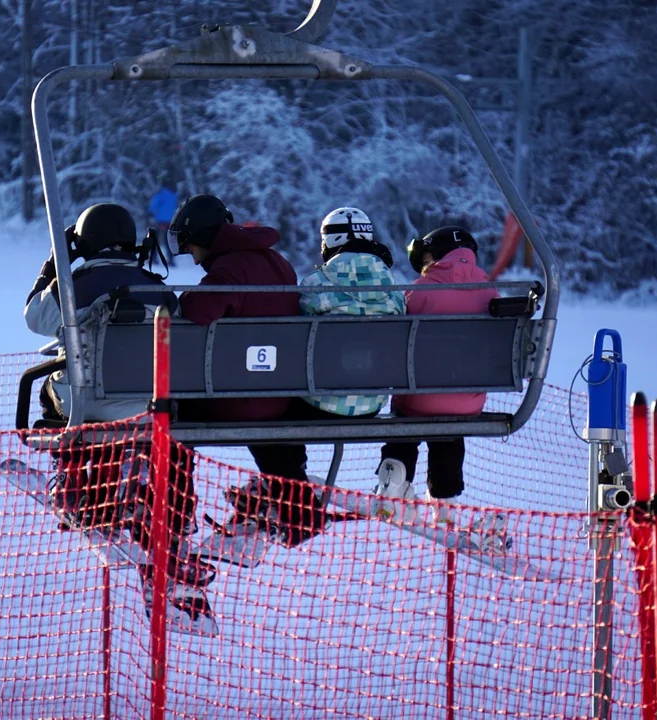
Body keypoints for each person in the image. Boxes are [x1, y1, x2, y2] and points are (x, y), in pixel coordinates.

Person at [24, 202, 216, 630]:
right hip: (139, 410)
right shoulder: (157, 289)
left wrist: (55, 265)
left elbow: (33, 318)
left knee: (51, 391)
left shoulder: (72, 285)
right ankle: (162, 531)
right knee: (147, 430)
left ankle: (70, 475)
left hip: (82, 408)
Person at [168, 194, 324, 548]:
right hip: (279, 397)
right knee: (267, 413)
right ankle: (298, 510)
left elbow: (196, 311)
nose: (190, 256)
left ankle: (175, 513)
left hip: (237, 399)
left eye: (190, 246)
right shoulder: (278, 263)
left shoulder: (229, 270)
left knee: (174, 410)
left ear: (203, 236)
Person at [374, 225, 510, 551]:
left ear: (437, 255)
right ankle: (443, 497)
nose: (423, 266)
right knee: (450, 425)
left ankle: (394, 477)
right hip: (467, 401)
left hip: (418, 399)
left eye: (425, 259)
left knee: (407, 414)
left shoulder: (419, 291)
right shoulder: (490, 294)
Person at [292, 207, 405, 420]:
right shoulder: (393, 289)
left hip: (318, 401)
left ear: (328, 241)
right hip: (372, 404)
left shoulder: (315, 285)